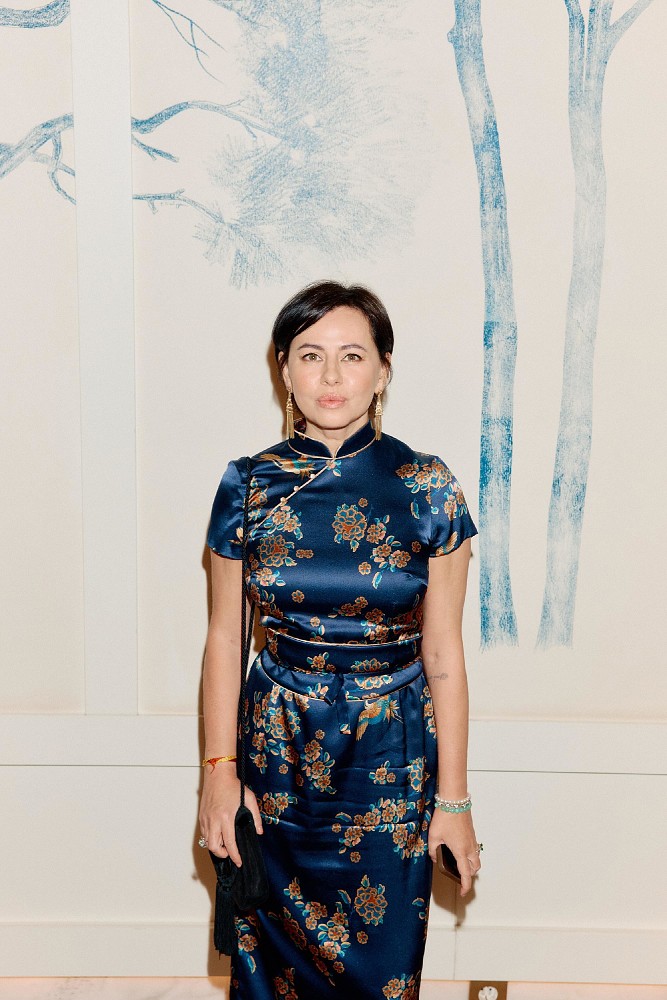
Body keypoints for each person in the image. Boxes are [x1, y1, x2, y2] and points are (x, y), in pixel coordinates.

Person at [199, 280, 482, 999]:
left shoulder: (428, 487)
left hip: (390, 755)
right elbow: (225, 640)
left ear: (383, 370)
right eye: (310, 354)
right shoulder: (247, 485)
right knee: (269, 969)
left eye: (352, 355)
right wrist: (218, 774)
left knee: (381, 971)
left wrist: (453, 802)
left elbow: (444, 655)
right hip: (276, 750)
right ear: (284, 370)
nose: (330, 375)